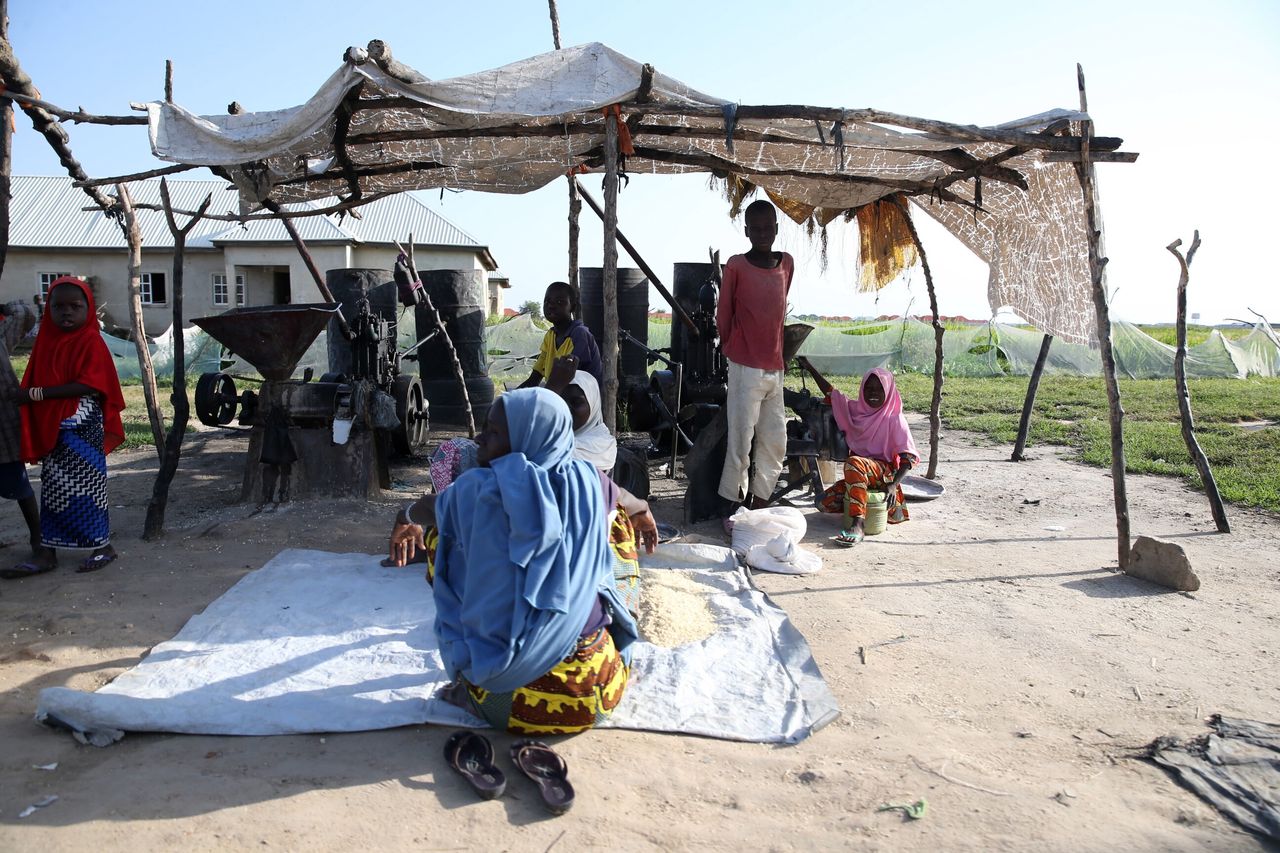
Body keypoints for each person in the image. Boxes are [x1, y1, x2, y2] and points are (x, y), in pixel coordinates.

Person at [388, 388, 638, 734]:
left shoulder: (474, 490)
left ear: (523, 438)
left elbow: (431, 508)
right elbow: (627, 499)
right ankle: (612, 629)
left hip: (505, 704)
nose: (479, 439)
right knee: (618, 524)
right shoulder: (589, 481)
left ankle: (470, 671)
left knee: (440, 535)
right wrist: (643, 512)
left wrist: (405, 514)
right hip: (597, 695)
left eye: (492, 433)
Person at [5, 277, 125, 577]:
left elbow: (90, 384)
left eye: (75, 306)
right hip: (53, 427)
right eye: (58, 307)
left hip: (81, 428)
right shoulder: (47, 341)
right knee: (53, 489)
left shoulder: (91, 341)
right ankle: (47, 551)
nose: (66, 313)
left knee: (88, 489)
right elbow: (36, 376)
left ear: (89, 308)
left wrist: (35, 394)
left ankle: (102, 546)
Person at [716, 199, 795, 512]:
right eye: (756, 228)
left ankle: (760, 501)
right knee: (740, 441)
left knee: (775, 439)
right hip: (745, 367)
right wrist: (734, 347)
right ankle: (733, 507)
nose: (763, 233)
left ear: (776, 229)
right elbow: (725, 316)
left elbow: (780, 311)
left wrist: (776, 354)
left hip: (774, 368)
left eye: (768, 228)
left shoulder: (786, 263)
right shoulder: (736, 265)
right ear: (746, 230)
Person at [797, 357, 918, 546]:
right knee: (822, 502)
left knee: (854, 462)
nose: (873, 393)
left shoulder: (895, 419)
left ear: (888, 391)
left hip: (883, 473)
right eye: (868, 388)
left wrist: (894, 485)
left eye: (879, 389)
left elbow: (908, 457)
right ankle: (866, 501)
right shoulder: (855, 410)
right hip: (859, 474)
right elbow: (831, 393)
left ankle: (858, 523)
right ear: (862, 389)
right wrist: (810, 367)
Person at [0, 299, 51, 577]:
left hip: (2, 427)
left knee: (18, 484)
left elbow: (23, 313)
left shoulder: (0, 336)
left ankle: (37, 537)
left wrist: (2, 307)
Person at [518, 281, 603, 388]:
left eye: (559, 302)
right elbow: (535, 378)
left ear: (572, 307)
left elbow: (570, 380)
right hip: (559, 393)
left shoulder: (579, 334)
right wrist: (509, 398)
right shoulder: (550, 335)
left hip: (582, 398)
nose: (551, 306)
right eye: (547, 301)